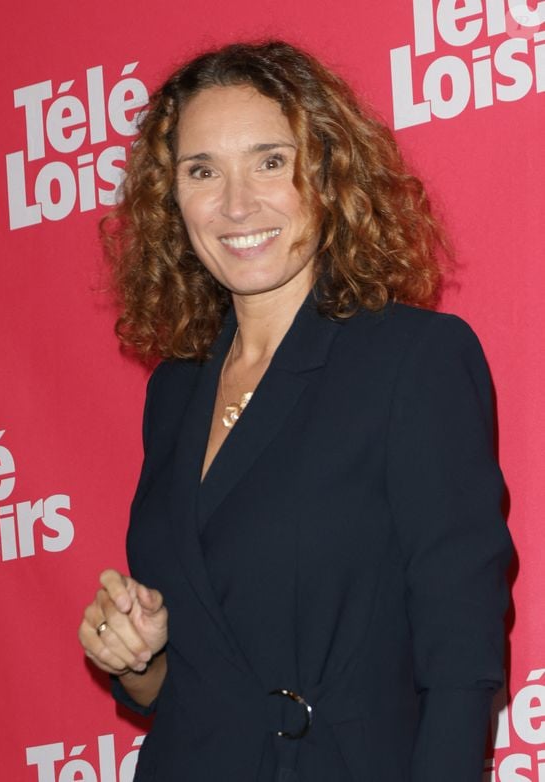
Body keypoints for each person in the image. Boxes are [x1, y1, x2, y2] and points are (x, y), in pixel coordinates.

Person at [78, 40, 512, 782]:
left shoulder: (414, 360)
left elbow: (462, 656)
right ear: (171, 197)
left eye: (271, 161)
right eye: (202, 171)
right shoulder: (175, 390)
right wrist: (140, 656)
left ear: (328, 176)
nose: (236, 203)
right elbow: (195, 684)